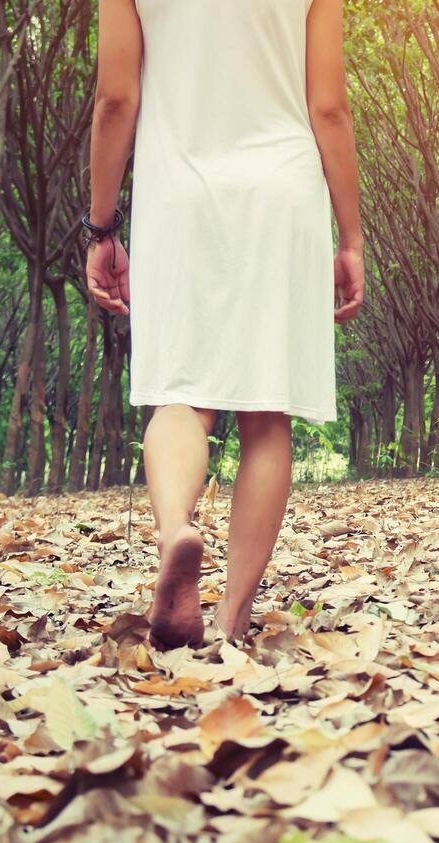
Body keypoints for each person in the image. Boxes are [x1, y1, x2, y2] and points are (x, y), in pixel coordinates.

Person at [84, 0, 363, 648]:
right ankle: (230, 623)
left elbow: (115, 99)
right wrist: (350, 237)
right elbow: (329, 108)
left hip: (178, 194)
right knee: (267, 418)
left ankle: (177, 527)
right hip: (282, 191)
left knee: (180, 394)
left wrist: (100, 226)